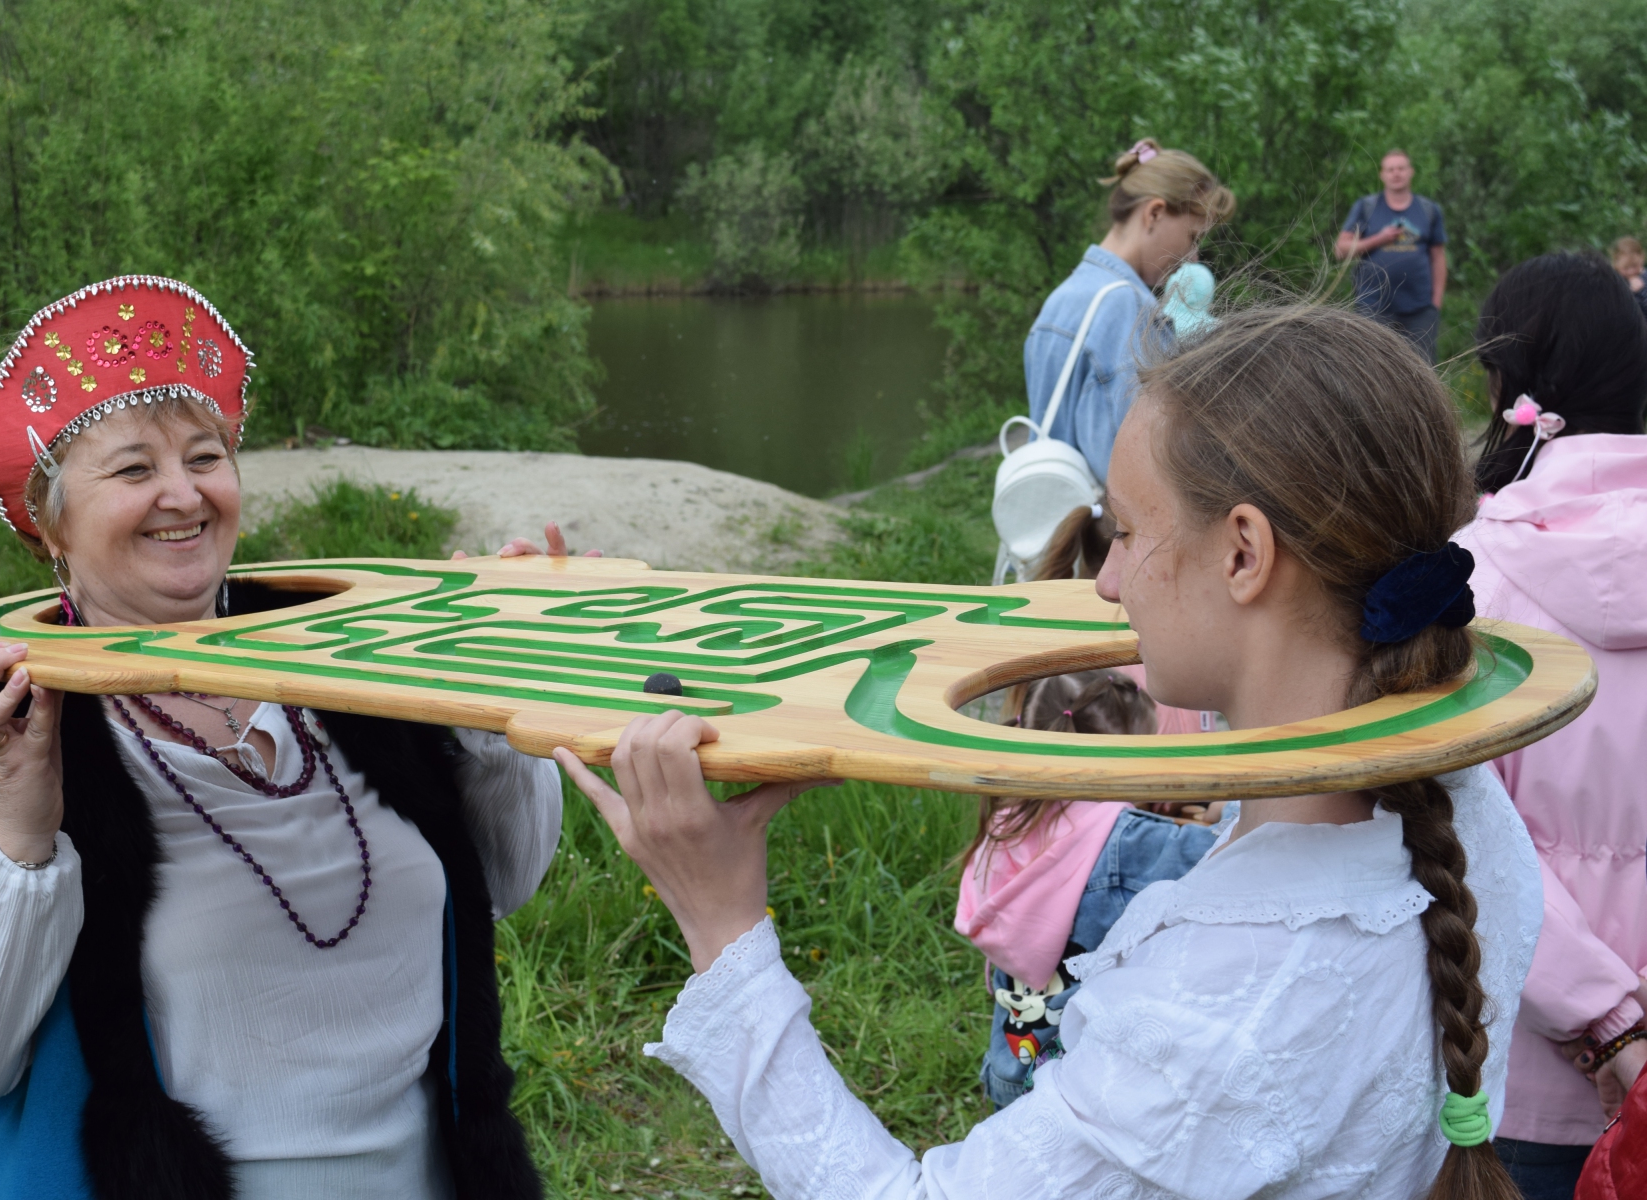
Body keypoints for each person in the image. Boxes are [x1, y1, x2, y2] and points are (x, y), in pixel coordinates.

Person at [559, 304, 1542, 1199]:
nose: (1107, 581)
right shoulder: (1463, 815)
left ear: (1243, 553)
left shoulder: (1227, 1006)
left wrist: (722, 922)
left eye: (1128, 531)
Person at [0, 276, 571, 1200]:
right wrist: (22, 828)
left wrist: (485, 692)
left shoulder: (351, 677)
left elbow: (502, 883)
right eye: (133, 470)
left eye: (206, 456)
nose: (183, 494)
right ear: (51, 526)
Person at [1456, 252, 1647, 1200]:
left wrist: (1612, 1022)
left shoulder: (1467, 583)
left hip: (1527, 1068)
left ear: (1502, 386)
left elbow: (1461, 829)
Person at [958, 668, 1217, 1109]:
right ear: (1126, 762)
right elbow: (1217, 856)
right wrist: (1228, 810)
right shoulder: (1123, 841)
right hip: (1076, 1086)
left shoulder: (1007, 820)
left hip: (1010, 1070)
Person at [1022, 138, 1235, 485]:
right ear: (1154, 214)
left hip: (1053, 508)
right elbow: (1131, 468)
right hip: (1101, 518)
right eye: (1192, 237)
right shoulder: (1125, 307)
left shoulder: (1065, 297)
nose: (1193, 257)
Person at [1336, 149, 1448, 363]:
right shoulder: (1366, 207)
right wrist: (1380, 238)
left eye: (1401, 168)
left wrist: (1436, 302)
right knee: (1373, 367)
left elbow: (1438, 257)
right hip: (1373, 307)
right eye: (1390, 169)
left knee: (1421, 369)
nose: (1396, 173)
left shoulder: (1428, 210)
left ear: (1411, 172)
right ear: (1382, 175)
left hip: (1420, 309)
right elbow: (1341, 249)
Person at [1610, 237, 1647, 318]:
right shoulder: (1614, 280)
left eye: (1635, 266)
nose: (1631, 271)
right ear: (1615, 264)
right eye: (1626, 268)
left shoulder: (1645, 278)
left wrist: (1641, 291)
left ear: (1641, 259)